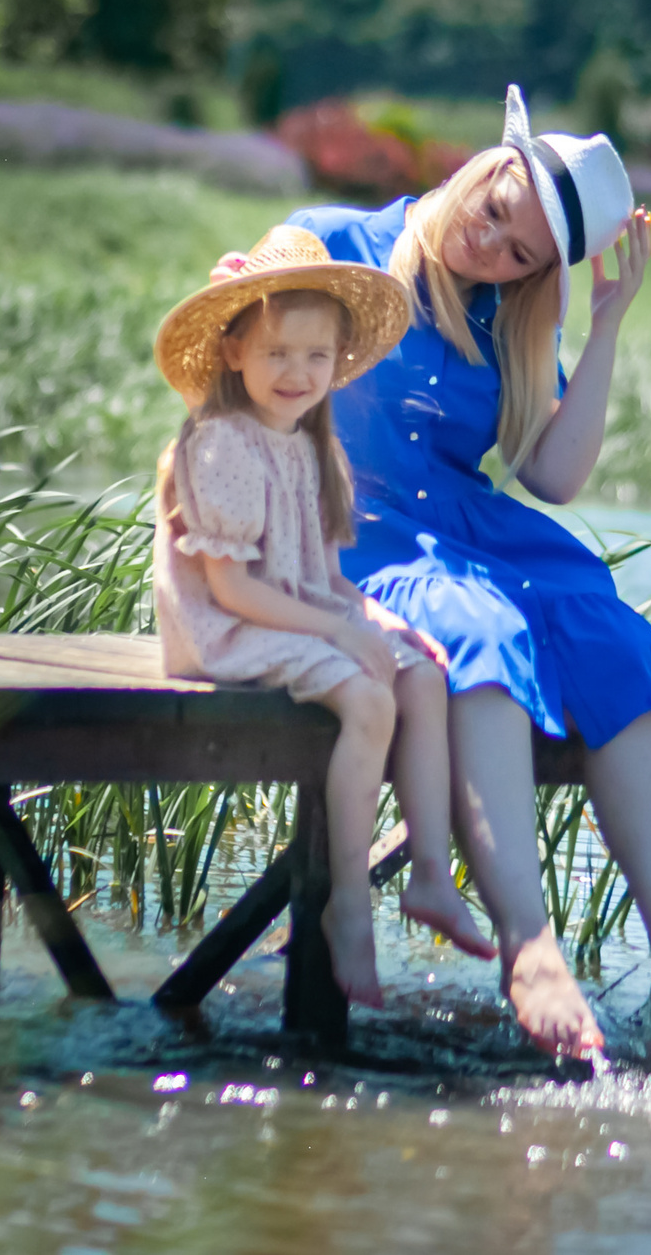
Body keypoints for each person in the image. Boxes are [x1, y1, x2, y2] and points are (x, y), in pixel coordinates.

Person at [264, 86, 651, 1081]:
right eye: (496, 208)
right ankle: (530, 944)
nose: (491, 244)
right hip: (351, 529)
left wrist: (603, 322)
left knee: (609, 642)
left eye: (521, 252)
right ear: (487, 163)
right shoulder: (330, 242)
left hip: (461, 525)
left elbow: (552, 477)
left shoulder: (506, 314)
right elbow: (238, 371)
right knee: (473, 626)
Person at [151, 225, 497, 1007]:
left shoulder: (311, 449)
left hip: (293, 616)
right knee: (368, 697)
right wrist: (341, 633)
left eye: (316, 357)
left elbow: (327, 581)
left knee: (420, 674)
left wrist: (375, 620)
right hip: (227, 631)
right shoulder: (221, 445)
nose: (297, 373)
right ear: (236, 351)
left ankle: (434, 878)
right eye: (277, 353)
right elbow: (234, 592)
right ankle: (348, 903)